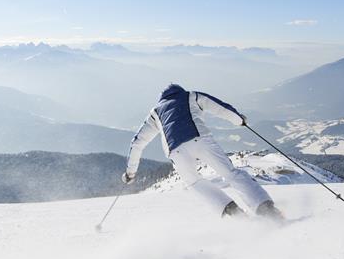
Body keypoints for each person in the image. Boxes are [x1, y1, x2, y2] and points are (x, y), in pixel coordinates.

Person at [122, 83, 284, 219]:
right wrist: (239, 120)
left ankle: (233, 212)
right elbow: (220, 108)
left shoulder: (156, 112)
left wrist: (131, 173)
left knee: (194, 182)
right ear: (179, 91)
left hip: (176, 151)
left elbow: (137, 142)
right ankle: (266, 209)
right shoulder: (190, 96)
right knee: (230, 173)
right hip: (200, 139)